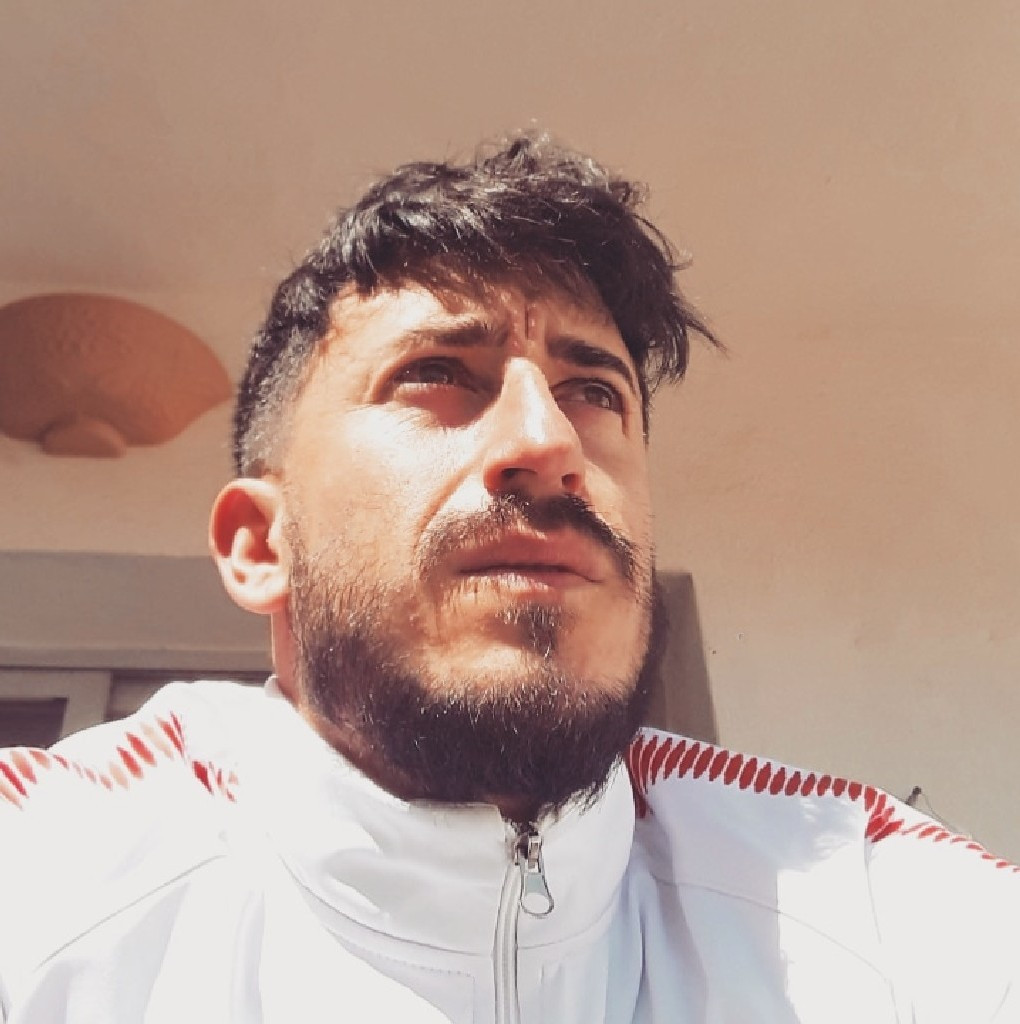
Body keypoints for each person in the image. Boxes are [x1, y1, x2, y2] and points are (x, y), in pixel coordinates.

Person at [1, 135, 1017, 1023]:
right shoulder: (44, 892)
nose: (549, 442)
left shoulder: (880, 914)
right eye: (437, 375)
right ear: (262, 545)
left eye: (594, 391)